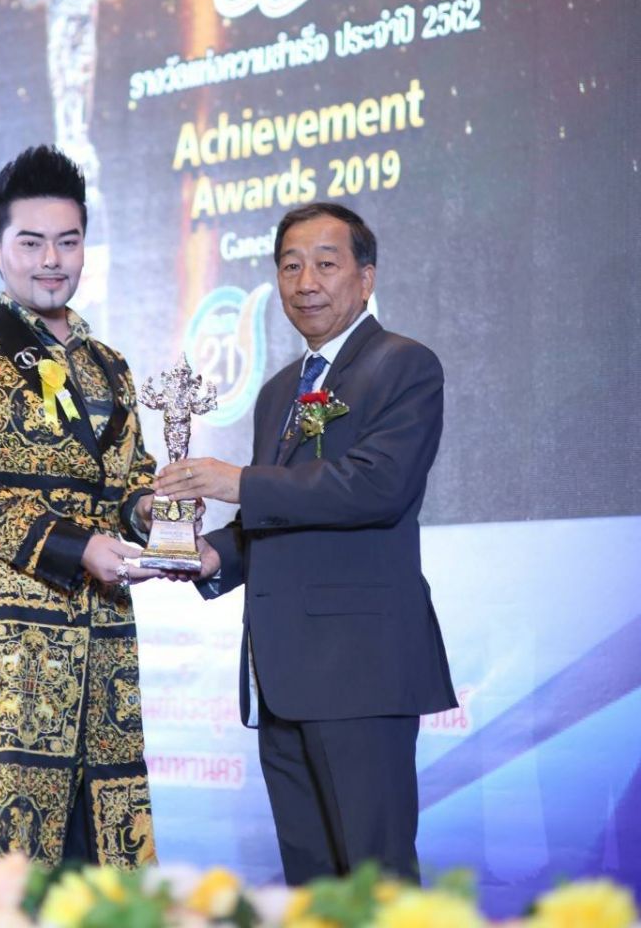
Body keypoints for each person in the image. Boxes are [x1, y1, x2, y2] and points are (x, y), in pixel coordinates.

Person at [156, 202, 456, 885]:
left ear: (366, 277)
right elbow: (280, 513)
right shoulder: (276, 393)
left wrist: (238, 481)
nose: (305, 282)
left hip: (360, 670)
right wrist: (212, 555)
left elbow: (377, 486)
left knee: (376, 882)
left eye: (326, 263)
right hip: (282, 676)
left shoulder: (403, 364)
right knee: (312, 886)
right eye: (290, 266)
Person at [0, 145, 157, 867]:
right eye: (31, 242)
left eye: (68, 242)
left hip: (102, 650)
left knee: (102, 873)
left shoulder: (110, 367)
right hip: (5, 664)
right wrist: (77, 547)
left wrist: (151, 512)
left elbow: (128, 479)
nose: (52, 260)